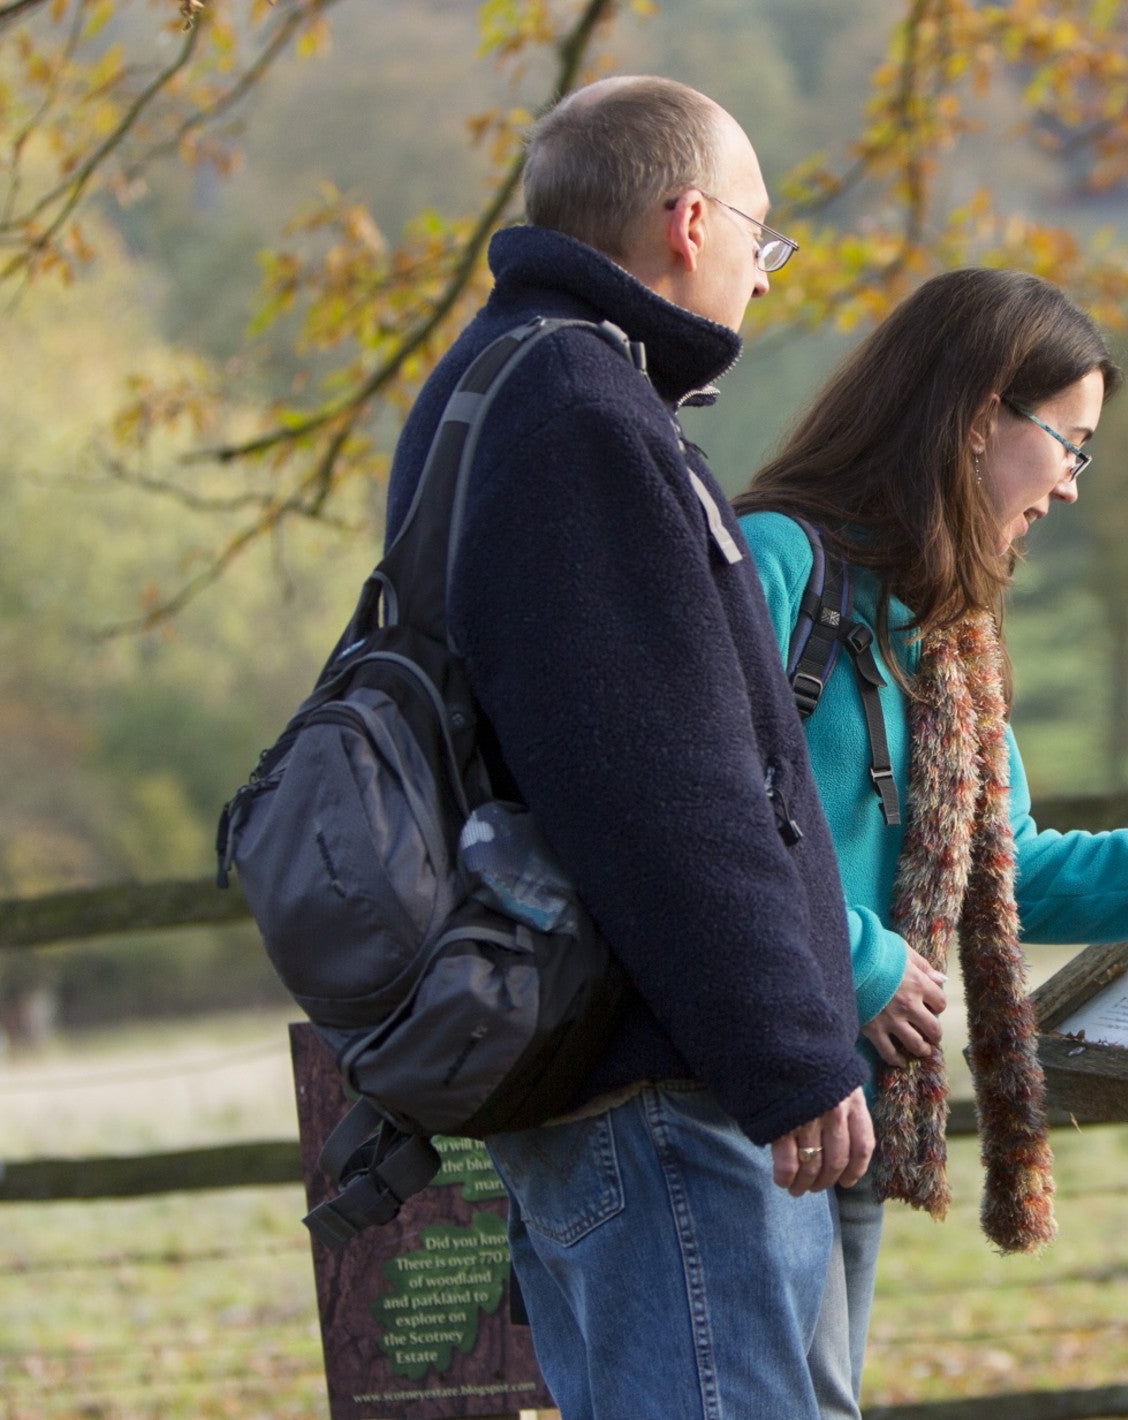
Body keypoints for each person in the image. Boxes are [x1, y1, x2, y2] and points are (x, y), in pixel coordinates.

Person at [733, 267, 1128, 1415]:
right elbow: (697, 822)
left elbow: (1010, 867)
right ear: (984, 416)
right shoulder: (774, 565)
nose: (1075, 486)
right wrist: (861, 959)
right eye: (1071, 444)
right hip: (738, 1095)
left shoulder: (952, 637)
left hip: (852, 1107)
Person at [383, 75, 871, 1419]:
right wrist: (788, 1051)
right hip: (662, 1090)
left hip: (616, 1075)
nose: (762, 280)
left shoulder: (512, 385)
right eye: (760, 241)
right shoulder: (578, 414)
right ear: (689, 219)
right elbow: (663, 782)